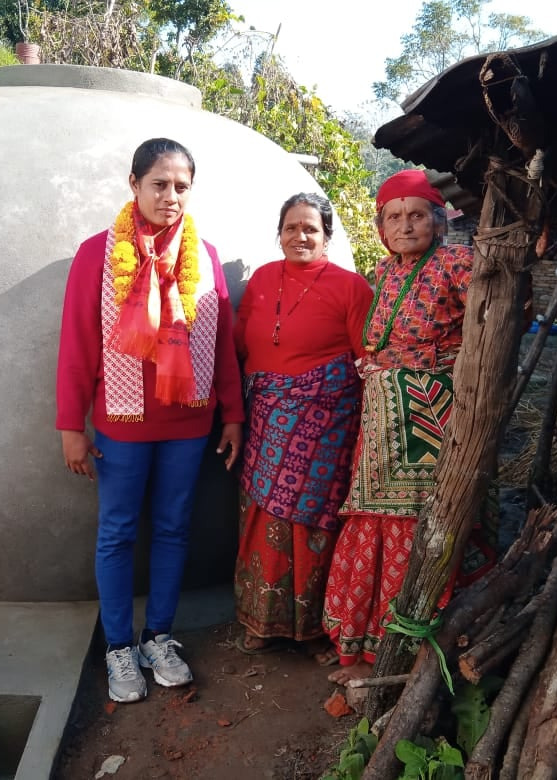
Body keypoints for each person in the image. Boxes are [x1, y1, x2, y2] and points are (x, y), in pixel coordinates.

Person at [56, 138, 245, 704]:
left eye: (181, 186)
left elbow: (223, 348)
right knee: (117, 531)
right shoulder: (98, 253)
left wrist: (232, 415)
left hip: (189, 420)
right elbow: (77, 344)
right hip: (121, 420)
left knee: (172, 528)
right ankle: (119, 646)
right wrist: (71, 426)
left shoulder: (205, 255)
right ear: (133, 184)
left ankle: (159, 636)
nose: (170, 196)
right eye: (159, 184)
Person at [322, 169, 497, 683]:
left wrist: (437, 363)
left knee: (424, 522)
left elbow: (496, 322)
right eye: (394, 217)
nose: (405, 225)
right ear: (381, 226)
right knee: (374, 518)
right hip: (381, 425)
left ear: (437, 222)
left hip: (433, 418)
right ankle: (367, 644)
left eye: (416, 215)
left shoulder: (459, 264)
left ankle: (416, 648)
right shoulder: (379, 275)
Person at [232, 193, 372, 664]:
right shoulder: (262, 281)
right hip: (266, 419)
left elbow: (366, 361)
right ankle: (261, 621)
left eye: (311, 228)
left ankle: (315, 628)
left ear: (327, 235)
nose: (300, 236)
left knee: (315, 523)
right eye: (291, 227)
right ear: (279, 233)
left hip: (326, 425)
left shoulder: (351, 288)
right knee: (263, 518)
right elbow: (238, 343)